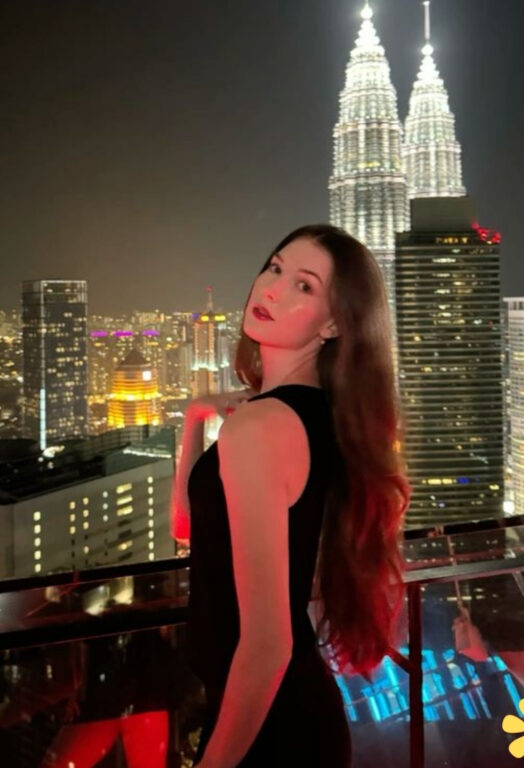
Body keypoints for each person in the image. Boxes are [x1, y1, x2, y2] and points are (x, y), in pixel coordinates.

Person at [171, 224, 411, 767]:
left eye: (304, 285)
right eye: (275, 267)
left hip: (268, 729)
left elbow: (267, 643)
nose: (272, 288)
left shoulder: (262, 427)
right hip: (272, 713)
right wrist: (192, 421)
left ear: (333, 323)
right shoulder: (317, 417)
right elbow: (189, 529)